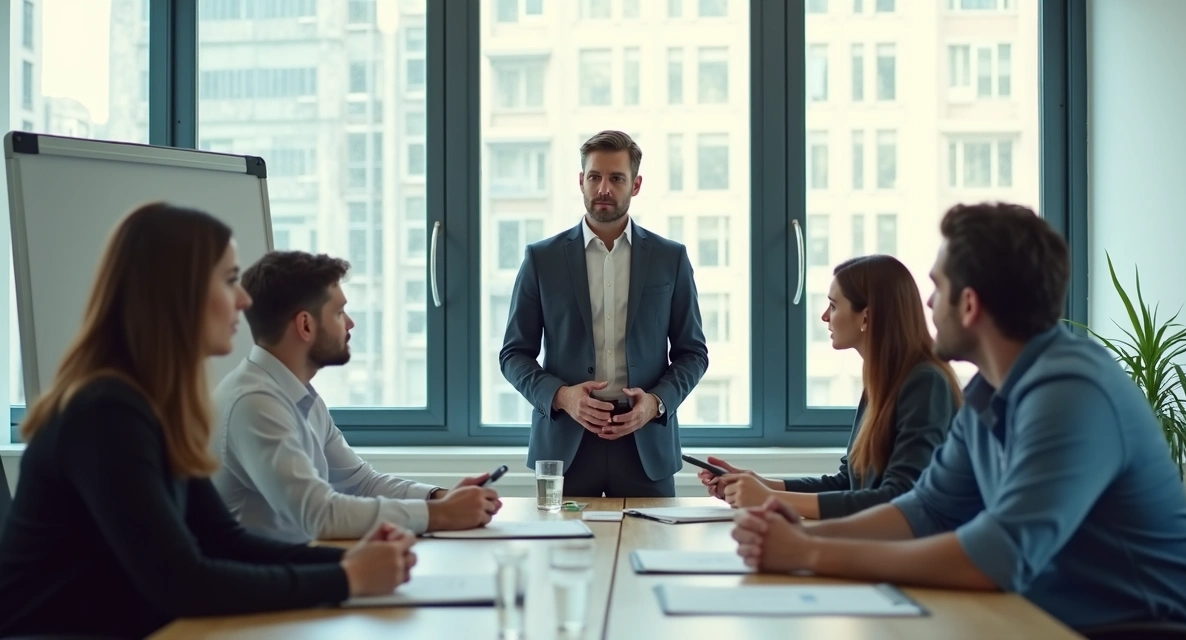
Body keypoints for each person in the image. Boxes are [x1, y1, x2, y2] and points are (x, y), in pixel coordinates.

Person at [731, 202, 1186, 631]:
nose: (929, 303)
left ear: (969, 303)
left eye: (937, 286)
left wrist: (811, 552)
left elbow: (998, 556)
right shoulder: (989, 390)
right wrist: (798, 532)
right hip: (1040, 618)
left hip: (1140, 629)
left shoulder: (1072, 392)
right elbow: (928, 509)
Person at [0, 203, 413, 639]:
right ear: (179, 292)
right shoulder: (105, 412)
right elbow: (183, 582)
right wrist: (347, 579)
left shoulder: (154, 406)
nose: (245, 300)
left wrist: (349, 561)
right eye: (230, 280)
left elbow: (223, 541)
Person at [212, 250, 501, 543]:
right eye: (339, 312)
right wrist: (443, 515)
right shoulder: (254, 402)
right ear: (306, 325)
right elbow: (320, 515)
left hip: (296, 571)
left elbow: (360, 483)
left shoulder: (297, 395)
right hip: (263, 583)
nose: (350, 323)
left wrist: (442, 498)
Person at [500, 130, 709, 498]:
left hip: (646, 445)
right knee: (562, 554)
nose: (603, 189)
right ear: (581, 180)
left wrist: (656, 404)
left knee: (652, 551)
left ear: (636, 184)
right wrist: (562, 396)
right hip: (565, 446)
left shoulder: (670, 259)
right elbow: (514, 354)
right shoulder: (542, 259)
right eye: (595, 177)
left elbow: (693, 353)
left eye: (616, 178)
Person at [700, 255, 961, 519]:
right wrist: (758, 484)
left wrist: (769, 498)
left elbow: (899, 497)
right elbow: (848, 483)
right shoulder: (882, 381)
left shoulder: (925, 383)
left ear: (866, 316)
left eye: (834, 306)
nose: (825, 316)